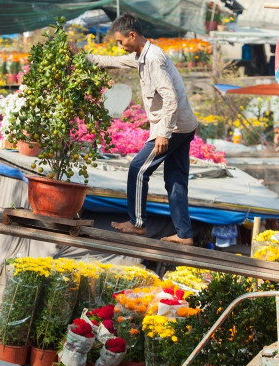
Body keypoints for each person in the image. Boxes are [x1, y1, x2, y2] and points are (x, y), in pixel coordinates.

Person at [84, 14, 199, 245]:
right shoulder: (141, 56)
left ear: (132, 35)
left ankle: (137, 223)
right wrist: (82, 58)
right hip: (184, 125)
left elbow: (171, 98)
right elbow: (114, 62)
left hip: (174, 127)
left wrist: (163, 133)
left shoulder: (154, 59)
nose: (120, 46)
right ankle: (184, 234)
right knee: (175, 180)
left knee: (138, 169)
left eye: (120, 41)